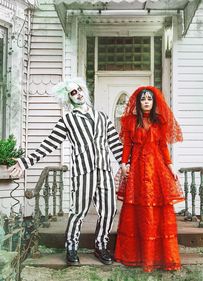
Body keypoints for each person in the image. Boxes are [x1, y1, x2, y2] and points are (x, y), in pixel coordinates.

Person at [9, 77, 123, 266]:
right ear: (68, 98)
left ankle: (100, 246)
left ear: (84, 91)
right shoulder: (67, 120)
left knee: (109, 210)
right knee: (78, 211)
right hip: (83, 172)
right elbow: (49, 144)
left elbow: (116, 146)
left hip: (104, 171)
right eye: (73, 92)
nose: (78, 94)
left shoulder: (102, 117)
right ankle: (71, 248)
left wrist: (127, 165)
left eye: (79, 90)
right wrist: (25, 161)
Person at [114, 86, 184, 272]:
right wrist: (123, 163)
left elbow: (163, 147)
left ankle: (158, 256)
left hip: (156, 168)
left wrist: (170, 167)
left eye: (149, 99)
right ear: (138, 102)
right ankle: (136, 254)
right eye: (143, 99)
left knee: (156, 205)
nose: (146, 101)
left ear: (154, 103)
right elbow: (127, 145)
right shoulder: (130, 122)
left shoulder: (159, 122)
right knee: (137, 205)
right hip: (136, 167)